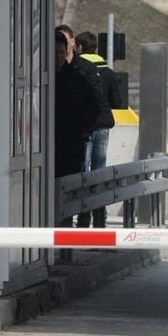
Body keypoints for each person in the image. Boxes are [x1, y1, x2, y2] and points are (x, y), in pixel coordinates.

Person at [74, 31, 122, 228]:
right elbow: (117, 102)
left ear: (79, 48)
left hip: (84, 126)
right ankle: (100, 220)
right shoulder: (108, 73)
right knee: (99, 171)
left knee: (83, 171)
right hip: (103, 124)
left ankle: (83, 218)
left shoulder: (77, 69)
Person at [54, 31, 98, 227]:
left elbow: (94, 107)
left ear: (67, 52)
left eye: (61, 52)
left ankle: (63, 240)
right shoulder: (37, 80)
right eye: (53, 52)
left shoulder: (77, 79)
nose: (57, 57)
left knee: (67, 194)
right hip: (42, 149)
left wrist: (80, 127)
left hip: (69, 146)